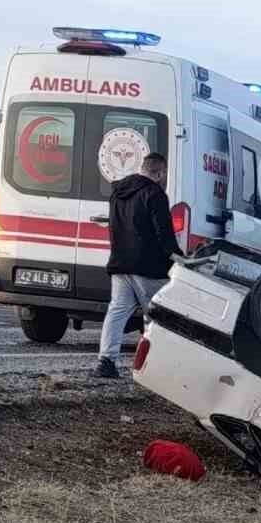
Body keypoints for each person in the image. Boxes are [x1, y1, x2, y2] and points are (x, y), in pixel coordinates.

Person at [96, 153, 182, 378]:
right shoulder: (155, 194)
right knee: (160, 315)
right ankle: (159, 368)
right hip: (149, 267)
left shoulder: (118, 193)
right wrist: (178, 258)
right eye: (164, 175)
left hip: (120, 263)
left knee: (117, 312)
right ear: (160, 173)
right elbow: (163, 232)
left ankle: (106, 361)